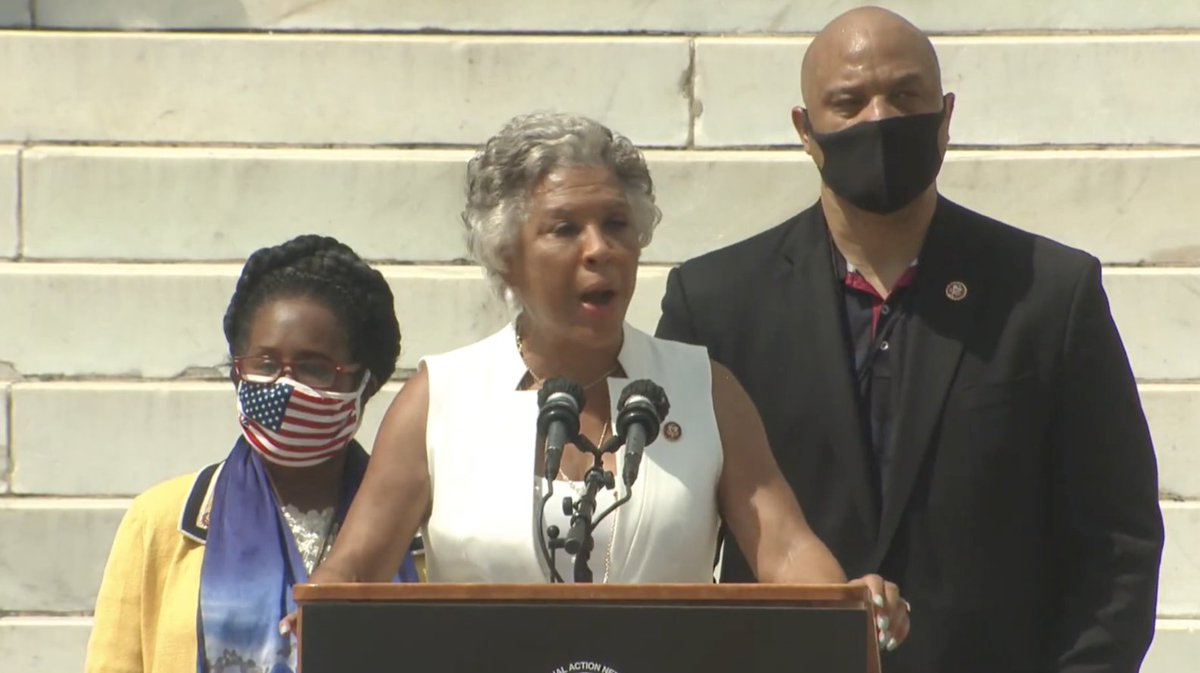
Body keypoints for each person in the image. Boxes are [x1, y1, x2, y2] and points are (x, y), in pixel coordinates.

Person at [655, 6, 1164, 673]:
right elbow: (667, 526)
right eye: (849, 102)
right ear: (805, 130)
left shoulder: (1047, 294)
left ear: (946, 117)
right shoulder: (715, 303)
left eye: (905, 95)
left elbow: (1117, 540)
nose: (881, 119)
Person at [298, 111, 910, 647]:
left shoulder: (703, 389)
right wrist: (313, 613)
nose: (600, 250)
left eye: (617, 224)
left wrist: (848, 602)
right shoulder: (441, 397)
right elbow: (353, 571)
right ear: (507, 256)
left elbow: (783, 546)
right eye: (565, 229)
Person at [85, 235, 420, 673]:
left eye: (314, 368)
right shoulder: (162, 522)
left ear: (365, 386)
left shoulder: (416, 534)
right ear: (236, 374)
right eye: (265, 365)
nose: (284, 388)